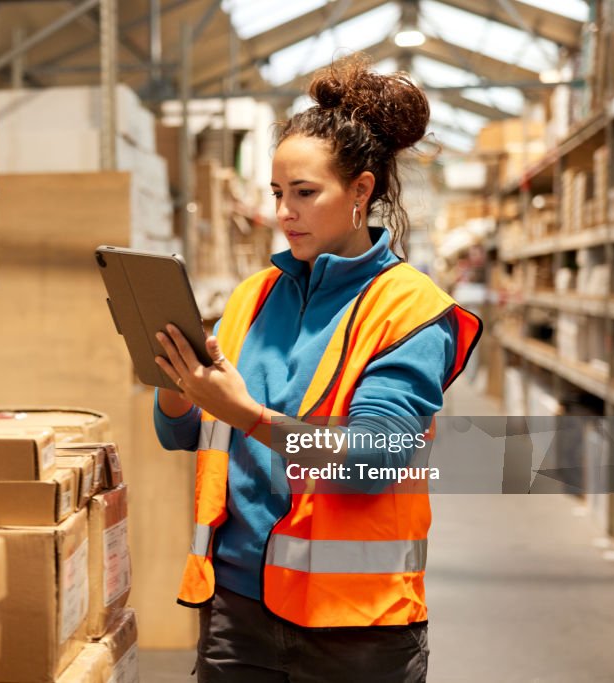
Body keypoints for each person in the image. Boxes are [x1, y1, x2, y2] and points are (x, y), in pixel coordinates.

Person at [151, 54, 481, 683]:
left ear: (361, 191)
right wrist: (176, 382)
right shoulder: (251, 298)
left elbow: (372, 460)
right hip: (236, 608)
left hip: (354, 626)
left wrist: (247, 414)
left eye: (305, 193)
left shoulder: (409, 309)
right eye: (278, 193)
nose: (285, 212)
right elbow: (182, 432)